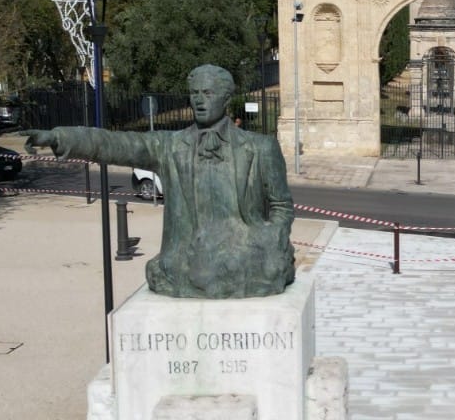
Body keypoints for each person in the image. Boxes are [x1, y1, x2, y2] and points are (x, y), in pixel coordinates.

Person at [23, 64, 295, 299]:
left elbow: (281, 205)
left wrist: (272, 235)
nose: (199, 100)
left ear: (226, 99)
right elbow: (115, 143)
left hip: (248, 255)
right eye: (194, 93)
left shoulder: (261, 148)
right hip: (185, 261)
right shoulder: (170, 146)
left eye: (208, 93)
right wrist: (59, 137)